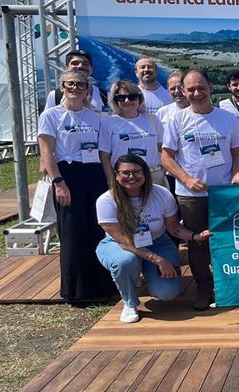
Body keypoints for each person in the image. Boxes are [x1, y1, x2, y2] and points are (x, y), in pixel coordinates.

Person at [161, 69, 239, 311]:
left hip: (224, 193)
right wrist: (186, 179)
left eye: (201, 88)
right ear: (183, 92)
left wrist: (237, 173)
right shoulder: (176, 120)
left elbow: (237, 153)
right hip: (191, 195)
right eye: (190, 89)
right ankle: (204, 288)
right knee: (198, 243)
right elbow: (166, 157)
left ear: (210, 88)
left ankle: (231, 286)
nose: (196, 93)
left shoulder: (228, 119)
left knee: (230, 240)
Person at [95, 155, 211, 323]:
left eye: (136, 172)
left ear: (145, 173)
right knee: (125, 261)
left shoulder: (162, 194)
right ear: (117, 175)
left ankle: (149, 276)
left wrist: (194, 237)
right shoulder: (106, 200)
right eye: (125, 173)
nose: (131, 176)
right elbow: (123, 241)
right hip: (120, 245)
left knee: (167, 293)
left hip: (157, 241)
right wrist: (158, 260)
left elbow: (173, 227)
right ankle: (130, 302)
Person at [37, 69, 116, 301]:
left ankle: (103, 286)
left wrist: (109, 183)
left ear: (87, 90)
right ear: (62, 87)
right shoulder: (51, 116)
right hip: (68, 174)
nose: (75, 88)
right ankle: (76, 291)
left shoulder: (96, 117)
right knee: (72, 233)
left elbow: (104, 154)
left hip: (93, 174)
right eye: (70, 84)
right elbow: (46, 151)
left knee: (97, 229)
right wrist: (58, 182)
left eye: (80, 85)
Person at [99, 80, 166, 187]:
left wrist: (162, 171)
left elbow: (162, 148)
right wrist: (110, 179)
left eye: (132, 97)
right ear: (115, 100)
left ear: (140, 98)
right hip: (124, 178)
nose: (127, 100)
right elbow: (105, 156)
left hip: (153, 175)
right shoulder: (108, 123)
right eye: (121, 97)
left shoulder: (153, 119)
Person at [156, 71, 190, 194]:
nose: (177, 91)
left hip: (194, 171)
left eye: (180, 87)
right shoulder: (161, 113)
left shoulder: (201, 111)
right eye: (172, 88)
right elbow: (156, 142)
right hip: (170, 172)